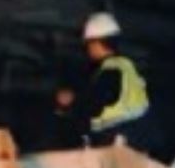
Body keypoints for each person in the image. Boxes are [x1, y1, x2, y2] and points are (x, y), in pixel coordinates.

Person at [52, 11, 163, 154]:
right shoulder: (124, 67)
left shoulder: (112, 69)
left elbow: (98, 99)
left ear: (97, 43)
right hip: (138, 140)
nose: (88, 49)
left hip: (122, 140)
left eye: (89, 44)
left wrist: (72, 100)